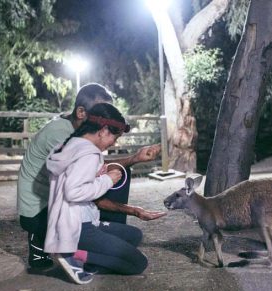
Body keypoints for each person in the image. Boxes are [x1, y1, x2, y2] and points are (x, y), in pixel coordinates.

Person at [17, 83, 165, 269]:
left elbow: (96, 171)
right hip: (45, 213)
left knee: (119, 173)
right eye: (101, 113)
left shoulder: (76, 137)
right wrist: (131, 209)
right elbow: (78, 190)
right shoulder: (66, 138)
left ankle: (97, 242)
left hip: (58, 205)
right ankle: (76, 249)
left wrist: (134, 159)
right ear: (81, 112)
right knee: (116, 176)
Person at [45, 102, 151, 284]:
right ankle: (76, 256)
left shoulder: (70, 145)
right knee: (138, 263)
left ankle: (83, 257)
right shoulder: (89, 154)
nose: (113, 144)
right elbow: (73, 192)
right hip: (78, 227)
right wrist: (107, 180)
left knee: (134, 235)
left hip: (69, 221)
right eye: (114, 138)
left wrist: (94, 175)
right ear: (103, 131)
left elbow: (67, 181)